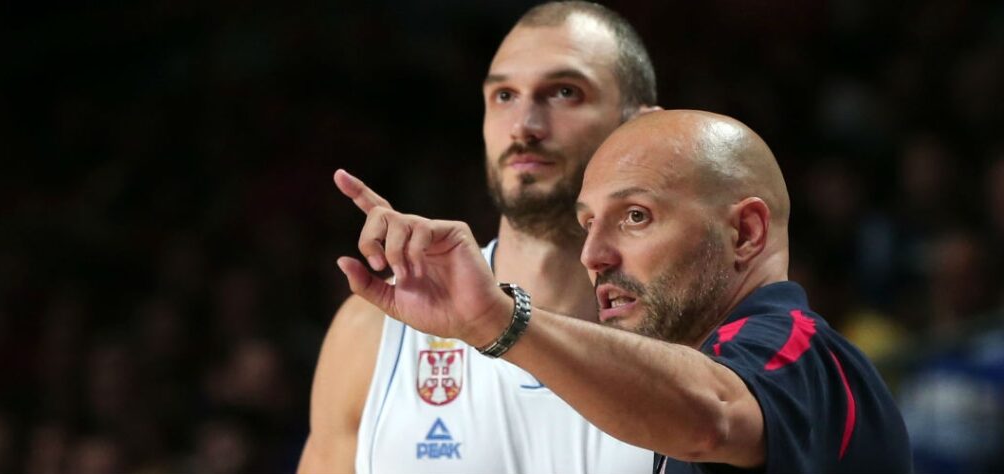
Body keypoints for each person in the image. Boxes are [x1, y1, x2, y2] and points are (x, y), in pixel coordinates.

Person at [334, 109, 914, 473]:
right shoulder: (679, 391)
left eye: (636, 216)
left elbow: (713, 414)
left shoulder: (800, 351)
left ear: (745, 233)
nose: (593, 255)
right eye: (588, 224)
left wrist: (497, 318)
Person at [298, 2, 659, 473]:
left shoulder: (691, 329)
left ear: (640, 126)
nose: (524, 125)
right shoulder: (374, 332)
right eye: (504, 95)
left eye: (564, 92)